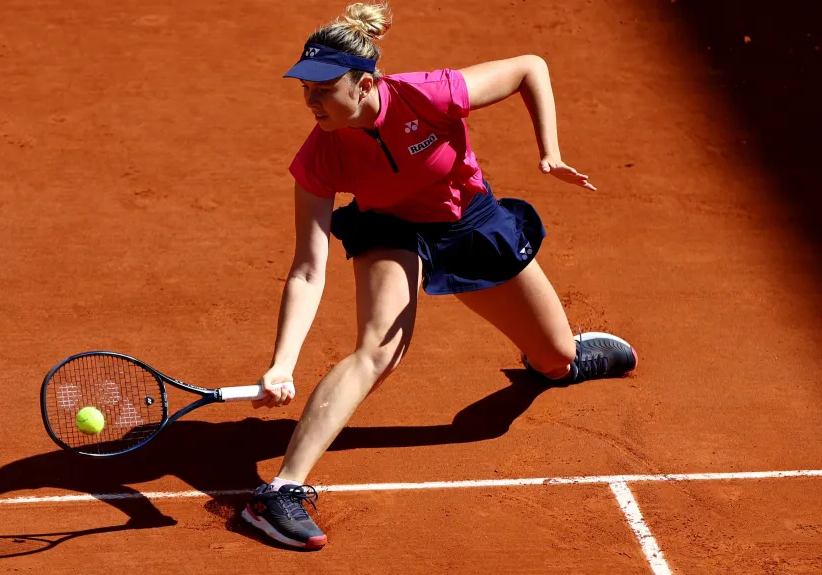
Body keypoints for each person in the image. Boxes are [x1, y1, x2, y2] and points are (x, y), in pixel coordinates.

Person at [239, 2, 637, 550]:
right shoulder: (320, 155)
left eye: (324, 89)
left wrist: (550, 153)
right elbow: (308, 269)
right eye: (305, 88)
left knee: (556, 360)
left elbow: (530, 67)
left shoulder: (426, 95)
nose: (311, 101)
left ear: (364, 83)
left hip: (466, 216)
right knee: (380, 350)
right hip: (388, 227)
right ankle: (280, 491)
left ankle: (557, 357)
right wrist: (283, 362)